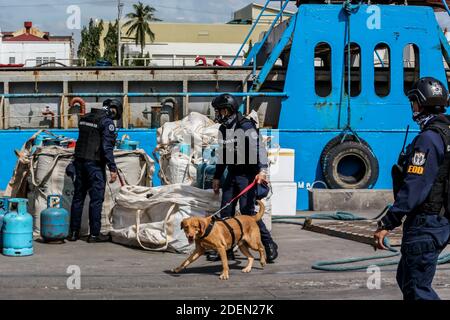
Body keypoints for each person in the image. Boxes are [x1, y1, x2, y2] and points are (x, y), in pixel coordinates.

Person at [374, 77, 450, 300]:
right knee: (406, 277)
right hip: (442, 220)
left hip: (426, 222)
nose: (412, 108)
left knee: (417, 289)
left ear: (419, 103)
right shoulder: (446, 133)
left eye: (413, 102)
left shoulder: (428, 139)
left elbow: (415, 185)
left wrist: (389, 222)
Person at [207, 93, 279, 263]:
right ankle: (227, 248)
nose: (217, 114)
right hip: (232, 173)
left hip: (248, 175)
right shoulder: (224, 129)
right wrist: (217, 176)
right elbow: (223, 154)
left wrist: (262, 170)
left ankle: (269, 245)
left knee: (248, 213)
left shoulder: (245, 126)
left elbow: (259, 148)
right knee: (226, 212)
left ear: (228, 110)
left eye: (219, 111)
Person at [67, 98, 123, 243]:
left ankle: (73, 233)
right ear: (114, 110)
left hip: (79, 162)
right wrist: (112, 168)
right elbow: (107, 147)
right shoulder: (106, 122)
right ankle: (94, 235)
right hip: (95, 165)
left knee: (78, 197)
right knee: (96, 200)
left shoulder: (85, 118)